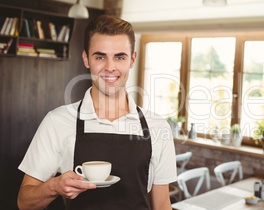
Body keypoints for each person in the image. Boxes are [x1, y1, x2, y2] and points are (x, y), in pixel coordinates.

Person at [17, 15, 177, 210]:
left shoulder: (157, 126)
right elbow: (24, 202)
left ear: (132, 59)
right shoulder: (57, 121)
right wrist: (54, 187)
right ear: (86, 59)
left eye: (119, 57)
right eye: (100, 57)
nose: (110, 67)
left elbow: (161, 205)